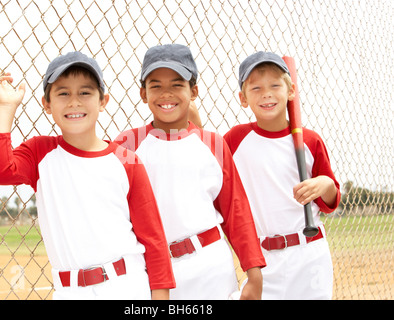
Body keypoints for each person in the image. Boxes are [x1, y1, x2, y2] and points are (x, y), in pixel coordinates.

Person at [0, 51, 175, 300]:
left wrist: (160, 298)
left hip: (126, 285)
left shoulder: (126, 160)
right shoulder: (41, 152)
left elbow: (153, 237)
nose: (74, 101)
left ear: (102, 101)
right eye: (63, 93)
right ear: (47, 103)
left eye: (85, 92)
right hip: (69, 291)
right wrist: (6, 108)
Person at [114, 44, 266, 300]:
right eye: (156, 86)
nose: (166, 94)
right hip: (155, 271)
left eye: (177, 84)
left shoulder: (213, 143)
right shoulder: (128, 145)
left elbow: (235, 210)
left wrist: (254, 272)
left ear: (193, 91)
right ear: (143, 93)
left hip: (210, 266)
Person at [224, 51, 341, 299]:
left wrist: (325, 183)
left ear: (290, 92)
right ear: (243, 99)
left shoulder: (309, 140)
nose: (266, 93)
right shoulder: (235, 140)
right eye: (256, 88)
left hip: (310, 254)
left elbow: (331, 202)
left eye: (275, 85)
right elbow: (210, 167)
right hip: (264, 260)